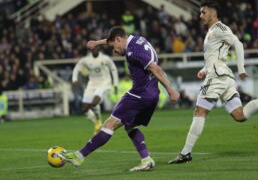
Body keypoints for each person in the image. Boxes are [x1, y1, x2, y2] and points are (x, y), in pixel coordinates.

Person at [168, 1, 258, 164]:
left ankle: (185, 153)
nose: (200, 16)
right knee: (239, 115)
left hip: (217, 77)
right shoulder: (211, 31)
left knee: (200, 111)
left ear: (213, 13)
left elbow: (238, 44)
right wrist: (204, 69)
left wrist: (241, 68)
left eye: (203, 12)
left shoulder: (221, 29)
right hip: (223, 77)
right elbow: (216, 56)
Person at [58, 27, 180, 171]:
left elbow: (155, 68)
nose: (114, 51)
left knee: (109, 124)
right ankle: (146, 160)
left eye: (113, 47)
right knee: (130, 126)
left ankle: (79, 156)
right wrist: (97, 43)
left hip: (139, 94)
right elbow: (114, 38)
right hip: (152, 94)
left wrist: (171, 90)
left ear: (118, 39)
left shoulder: (133, 51)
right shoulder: (138, 39)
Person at [72, 46, 119, 134]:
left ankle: (98, 121)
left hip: (104, 83)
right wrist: (74, 79)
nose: (94, 50)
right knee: (85, 109)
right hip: (92, 83)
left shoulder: (105, 59)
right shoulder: (86, 60)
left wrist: (115, 83)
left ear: (99, 49)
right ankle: (98, 123)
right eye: (92, 49)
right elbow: (76, 68)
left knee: (94, 102)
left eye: (95, 48)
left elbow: (113, 69)